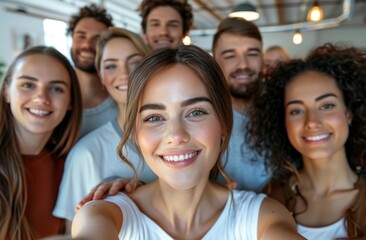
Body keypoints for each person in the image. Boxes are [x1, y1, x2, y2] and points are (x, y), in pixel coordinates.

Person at [71, 45, 304, 240]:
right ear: (135, 133)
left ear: (223, 122)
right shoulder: (104, 214)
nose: (176, 135)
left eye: (195, 112)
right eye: (154, 117)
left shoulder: (263, 216)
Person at [248, 43, 366, 239]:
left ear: (349, 113)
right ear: (283, 122)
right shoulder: (271, 196)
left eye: (327, 106)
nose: (312, 122)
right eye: (296, 111)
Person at [53, 27, 157, 234]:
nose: (125, 74)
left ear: (151, 67)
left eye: (135, 62)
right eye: (111, 66)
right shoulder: (86, 154)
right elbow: (71, 231)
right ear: (101, 77)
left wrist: (142, 191)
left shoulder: (181, 139)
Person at [0, 46, 81, 239]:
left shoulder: (70, 167)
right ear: (6, 92)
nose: (41, 98)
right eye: (28, 85)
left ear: (70, 101)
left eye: (56, 88)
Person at [212, 17, 271, 192]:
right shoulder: (202, 117)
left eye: (252, 53)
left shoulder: (284, 109)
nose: (243, 65)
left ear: (262, 58)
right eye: (230, 56)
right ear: (215, 62)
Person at [68, 3, 118, 137]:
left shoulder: (122, 101)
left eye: (98, 39)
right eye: (81, 36)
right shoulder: (56, 98)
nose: (87, 45)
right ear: (71, 39)